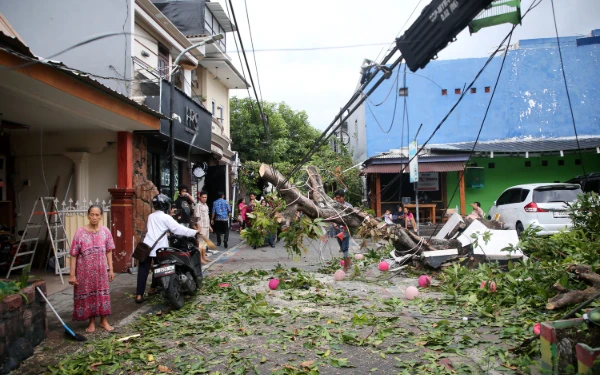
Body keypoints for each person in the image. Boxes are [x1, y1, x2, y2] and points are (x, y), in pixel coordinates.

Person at [135, 194, 197, 303]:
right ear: (165, 205)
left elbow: (154, 230)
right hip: (160, 249)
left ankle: (139, 295)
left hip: (147, 247)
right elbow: (178, 229)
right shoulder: (166, 217)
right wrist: (194, 232)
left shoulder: (151, 216)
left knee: (143, 271)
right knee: (159, 268)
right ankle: (152, 288)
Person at [68, 205, 116, 332]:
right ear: (88, 215)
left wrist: (111, 269)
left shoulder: (106, 231)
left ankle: (104, 321)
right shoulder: (80, 233)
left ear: (101, 216)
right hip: (85, 272)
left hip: (101, 271)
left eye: (97, 215)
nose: (94, 217)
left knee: (102, 295)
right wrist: (72, 275)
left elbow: (109, 251)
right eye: (92, 214)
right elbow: (73, 254)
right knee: (89, 295)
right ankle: (91, 322)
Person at [333, 190, 353, 273]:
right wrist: (334, 223)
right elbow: (331, 215)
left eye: (339, 198)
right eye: (336, 198)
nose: (338, 200)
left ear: (343, 197)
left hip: (345, 229)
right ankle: (349, 261)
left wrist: (346, 226)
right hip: (337, 229)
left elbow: (351, 218)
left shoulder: (349, 206)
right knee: (341, 247)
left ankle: (346, 266)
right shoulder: (334, 206)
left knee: (345, 248)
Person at [193, 191, 213, 264]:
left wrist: (210, 226)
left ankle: (204, 256)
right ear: (200, 197)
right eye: (203, 197)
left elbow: (207, 217)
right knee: (200, 243)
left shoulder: (206, 205)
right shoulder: (198, 206)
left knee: (204, 243)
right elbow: (197, 217)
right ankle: (200, 258)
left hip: (206, 226)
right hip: (201, 227)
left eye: (206, 197)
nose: (204, 199)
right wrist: (198, 228)